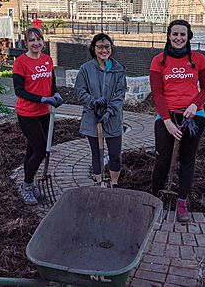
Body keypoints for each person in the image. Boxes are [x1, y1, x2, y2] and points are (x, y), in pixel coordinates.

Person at [150, 20, 205, 222]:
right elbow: (157, 94)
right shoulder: (158, 60)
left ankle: (182, 202)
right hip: (167, 116)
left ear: (188, 36)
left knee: (187, 160)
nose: (178, 38)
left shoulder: (199, 59)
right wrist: (166, 120)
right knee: (162, 159)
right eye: (174, 34)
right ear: (168, 36)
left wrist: (195, 105)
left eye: (182, 34)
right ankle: (154, 198)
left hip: (193, 117)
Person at [12, 27, 63, 205]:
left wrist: (56, 95)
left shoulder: (47, 60)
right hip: (27, 113)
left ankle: (30, 182)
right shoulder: (20, 62)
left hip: (44, 113)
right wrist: (42, 98)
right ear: (26, 43)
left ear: (43, 41)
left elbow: (52, 84)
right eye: (31, 40)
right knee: (41, 150)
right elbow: (19, 91)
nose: (36, 43)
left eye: (38, 39)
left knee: (32, 150)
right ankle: (26, 185)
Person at [75, 33, 127, 187]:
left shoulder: (118, 69)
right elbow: (80, 91)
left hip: (113, 118)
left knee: (115, 155)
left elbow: (119, 95)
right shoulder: (86, 69)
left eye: (107, 46)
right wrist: (94, 103)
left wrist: (109, 112)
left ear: (111, 48)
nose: (104, 50)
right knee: (97, 154)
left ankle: (114, 182)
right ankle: (99, 183)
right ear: (93, 48)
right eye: (100, 47)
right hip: (93, 118)